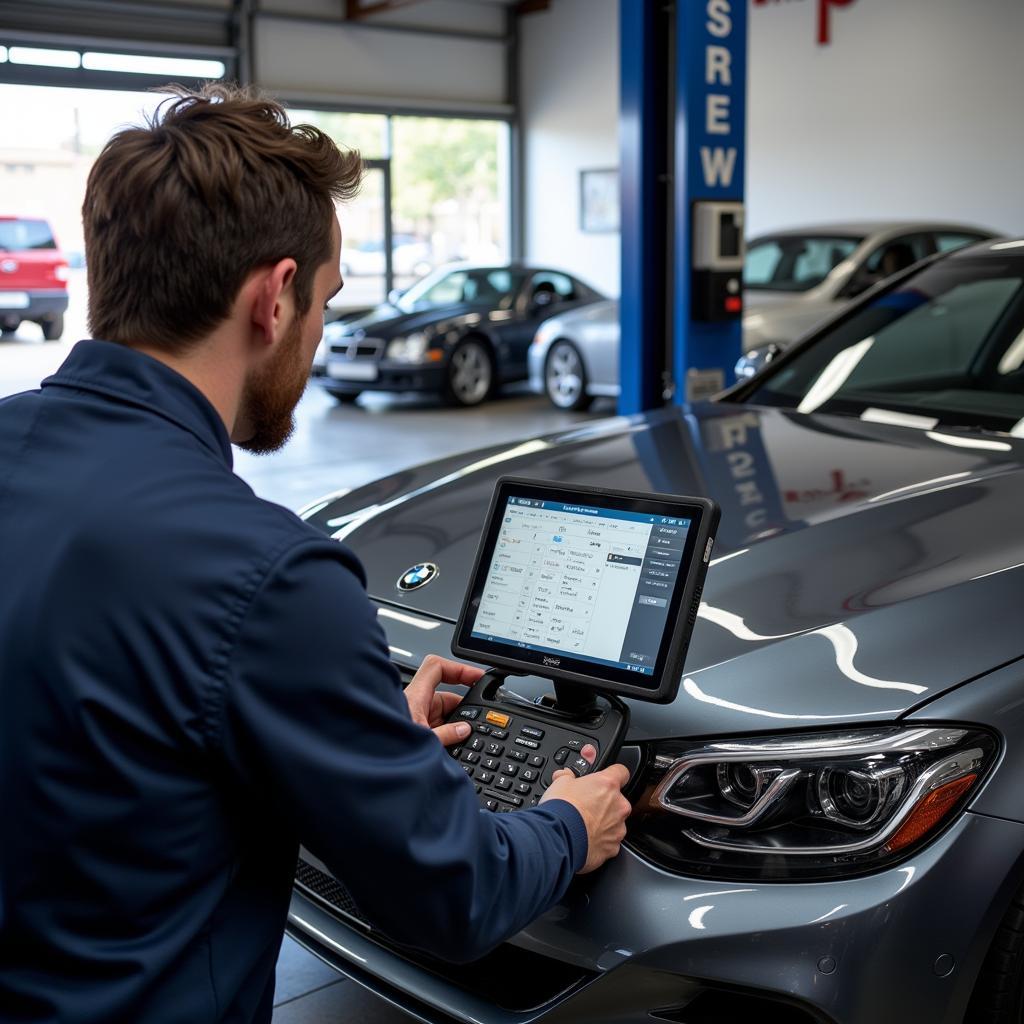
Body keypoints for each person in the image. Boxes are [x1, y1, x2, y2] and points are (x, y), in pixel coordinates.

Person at [0, 85, 632, 1024]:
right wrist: (564, 828)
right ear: (272, 296)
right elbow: (454, 899)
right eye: (325, 301)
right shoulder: (268, 575)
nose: (321, 333)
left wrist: (358, 739)